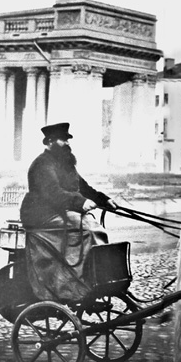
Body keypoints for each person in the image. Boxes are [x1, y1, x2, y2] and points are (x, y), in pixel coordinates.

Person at [19, 122, 117, 301]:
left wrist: (104, 200)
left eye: (67, 139)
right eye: (62, 140)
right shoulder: (42, 164)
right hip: (42, 215)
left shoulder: (65, 164)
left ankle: (95, 279)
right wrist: (80, 202)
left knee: (93, 227)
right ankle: (75, 284)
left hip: (59, 211)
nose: (67, 143)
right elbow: (52, 192)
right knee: (87, 229)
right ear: (49, 142)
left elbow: (84, 188)